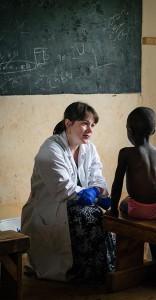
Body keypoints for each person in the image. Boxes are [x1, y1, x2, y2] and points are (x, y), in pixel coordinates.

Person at [21, 101, 115, 283]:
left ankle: (102, 268)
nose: (90, 130)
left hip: (78, 205)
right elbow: (63, 189)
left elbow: (97, 175)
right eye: (84, 123)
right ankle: (85, 272)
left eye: (92, 125)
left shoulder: (89, 148)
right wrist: (93, 196)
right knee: (88, 216)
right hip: (52, 210)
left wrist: (97, 190)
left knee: (100, 216)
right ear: (68, 123)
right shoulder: (50, 150)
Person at [108, 106, 156, 259]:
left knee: (124, 203)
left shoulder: (126, 153)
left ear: (130, 131)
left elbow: (117, 184)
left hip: (139, 210)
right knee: (150, 216)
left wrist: (113, 210)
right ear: (153, 131)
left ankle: (131, 255)